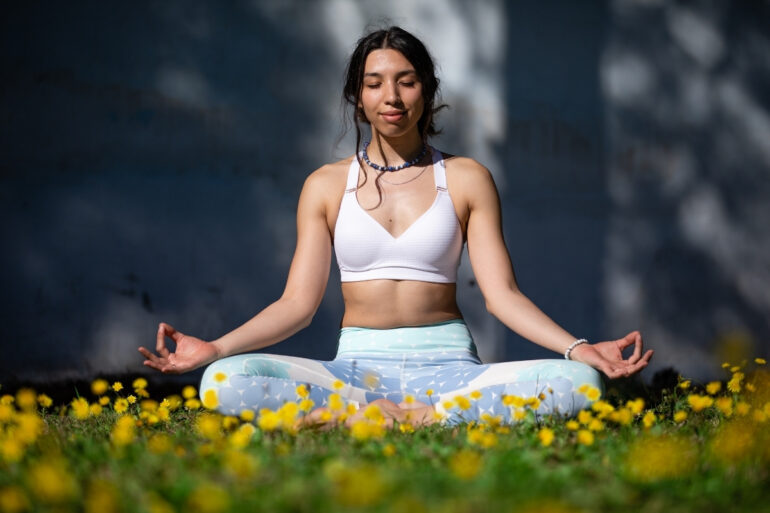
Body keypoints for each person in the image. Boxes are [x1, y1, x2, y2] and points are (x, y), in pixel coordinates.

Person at [138, 26, 652, 427]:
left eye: (407, 81)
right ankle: (380, 415)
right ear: (355, 96)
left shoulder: (467, 178)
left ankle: (405, 420)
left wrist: (577, 348)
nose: (393, 96)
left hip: (451, 369)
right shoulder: (324, 186)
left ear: (427, 91)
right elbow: (298, 304)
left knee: (579, 383)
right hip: (355, 371)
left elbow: (502, 296)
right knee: (223, 380)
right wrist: (216, 348)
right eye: (375, 82)